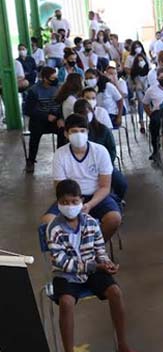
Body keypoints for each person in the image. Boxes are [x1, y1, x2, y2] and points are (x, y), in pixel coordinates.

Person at [46, 179, 142, 352]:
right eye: (65, 202)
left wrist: (107, 264)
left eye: (74, 201)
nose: (70, 206)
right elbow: (61, 262)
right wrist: (94, 267)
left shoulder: (90, 223)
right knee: (66, 303)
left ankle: (123, 345)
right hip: (66, 275)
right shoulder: (53, 229)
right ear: (58, 204)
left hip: (92, 270)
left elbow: (100, 251)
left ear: (81, 201)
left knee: (115, 292)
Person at [41, 114, 122, 243]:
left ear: (87, 133)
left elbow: (105, 186)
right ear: (66, 134)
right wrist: (73, 204)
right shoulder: (60, 154)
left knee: (114, 219)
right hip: (69, 198)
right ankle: (71, 251)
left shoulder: (100, 151)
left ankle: (95, 247)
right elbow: (60, 188)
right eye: (74, 131)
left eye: (82, 131)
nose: (79, 134)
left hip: (96, 197)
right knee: (47, 223)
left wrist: (89, 204)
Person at [73, 98, 126, 202]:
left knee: (121, 183)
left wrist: (104, 165)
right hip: (80, 168)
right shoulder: (74, 133)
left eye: (87, 112)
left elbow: (112, 150)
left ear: (92, 112)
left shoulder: (102, 130)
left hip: (103, 165)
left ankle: (117, 200)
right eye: (81, 113)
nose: (85, 115)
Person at [23, 66, 61, 173]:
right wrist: (45, 116)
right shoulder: (34, 90)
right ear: (45, 78)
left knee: (64, 131)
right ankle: (31, 160)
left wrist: (59, 117)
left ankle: (61, 158)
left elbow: (63, 105)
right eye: (53, 78)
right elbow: (28, 110)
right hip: (39, 120)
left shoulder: (59, 88)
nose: (55, 80)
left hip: (55, 119)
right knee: (35, 134)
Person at [143, 67, 163, 159]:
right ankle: (155, 149)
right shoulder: (151, 90)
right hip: (158, 111)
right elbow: (145, 103)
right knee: (154, 123)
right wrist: (150, 114)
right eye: (162, 77)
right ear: (157, 78)